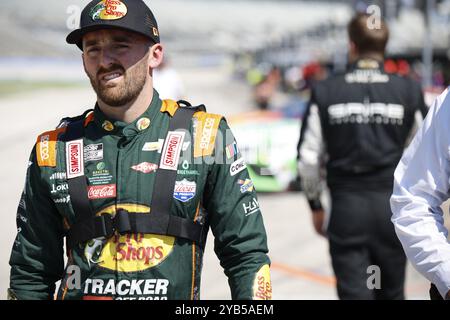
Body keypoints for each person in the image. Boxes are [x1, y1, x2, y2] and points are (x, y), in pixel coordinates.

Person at [8, 0, 271, 300]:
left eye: (120, 45)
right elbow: (30, 272)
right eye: (92, 48)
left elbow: (247, 256)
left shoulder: (206, 137)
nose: (105, 60)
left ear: (155, 55)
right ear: (83, 61)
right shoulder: (53, 149)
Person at [297, 13, 427, 299]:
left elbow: (308, 158)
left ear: (351, 45)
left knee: (356, 295)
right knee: (390, 293)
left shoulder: (326, 90)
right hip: (392, 210)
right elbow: (428, 152)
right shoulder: (408, 90)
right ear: (385, 46)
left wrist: (316, 205)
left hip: (347, 210)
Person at [390, 86, 450, 300]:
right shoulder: (442, 101)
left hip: (350, 203)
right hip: (377, 202)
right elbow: (413, 197)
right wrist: (446, 274)